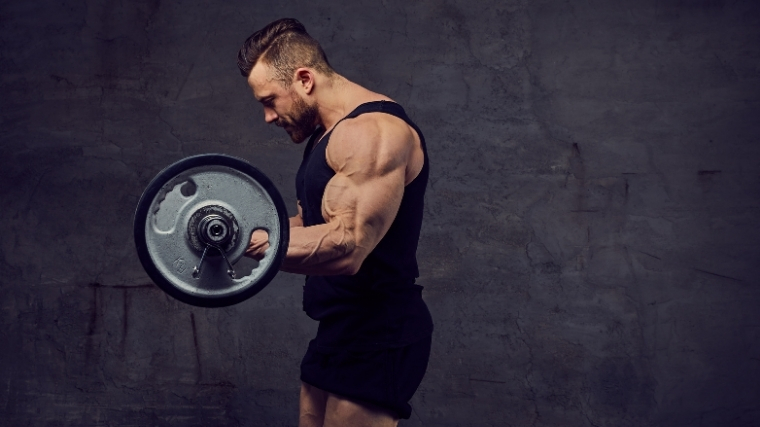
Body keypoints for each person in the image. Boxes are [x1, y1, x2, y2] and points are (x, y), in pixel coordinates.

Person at [238, 18, 433, 427]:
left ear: (304, 79)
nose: (268, 117)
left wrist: (257, 244)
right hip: (338, 327)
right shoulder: (326, 136)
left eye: (270, 100)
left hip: (380, 332)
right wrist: (241, 232)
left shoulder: (374, 132)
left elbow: (346, 245)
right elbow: (312, 224)